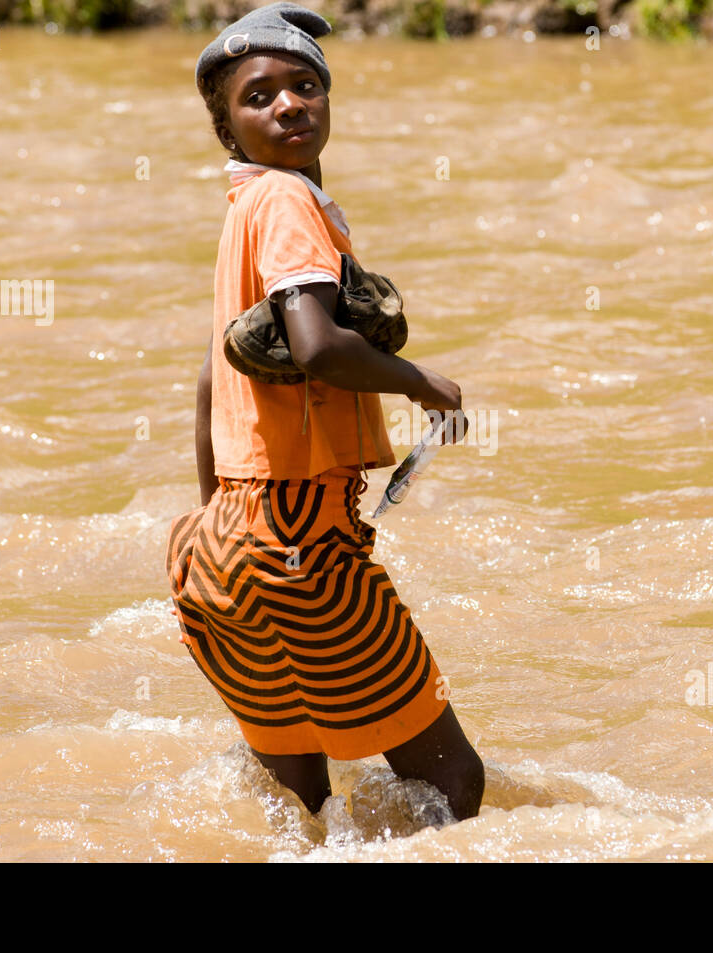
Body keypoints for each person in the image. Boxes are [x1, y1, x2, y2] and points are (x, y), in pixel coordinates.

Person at [165, 2, 484, 822]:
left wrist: (216, 522)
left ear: (329, 102)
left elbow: (211, 379)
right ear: (227, 128)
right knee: (455, 786)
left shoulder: (242, 211)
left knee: (303, 805)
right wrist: (420, 382)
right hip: (304, 542)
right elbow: (314, 346)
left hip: (223, 550)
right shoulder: (287, 205)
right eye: (260, 95)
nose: (289, 105)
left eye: (305, 86)